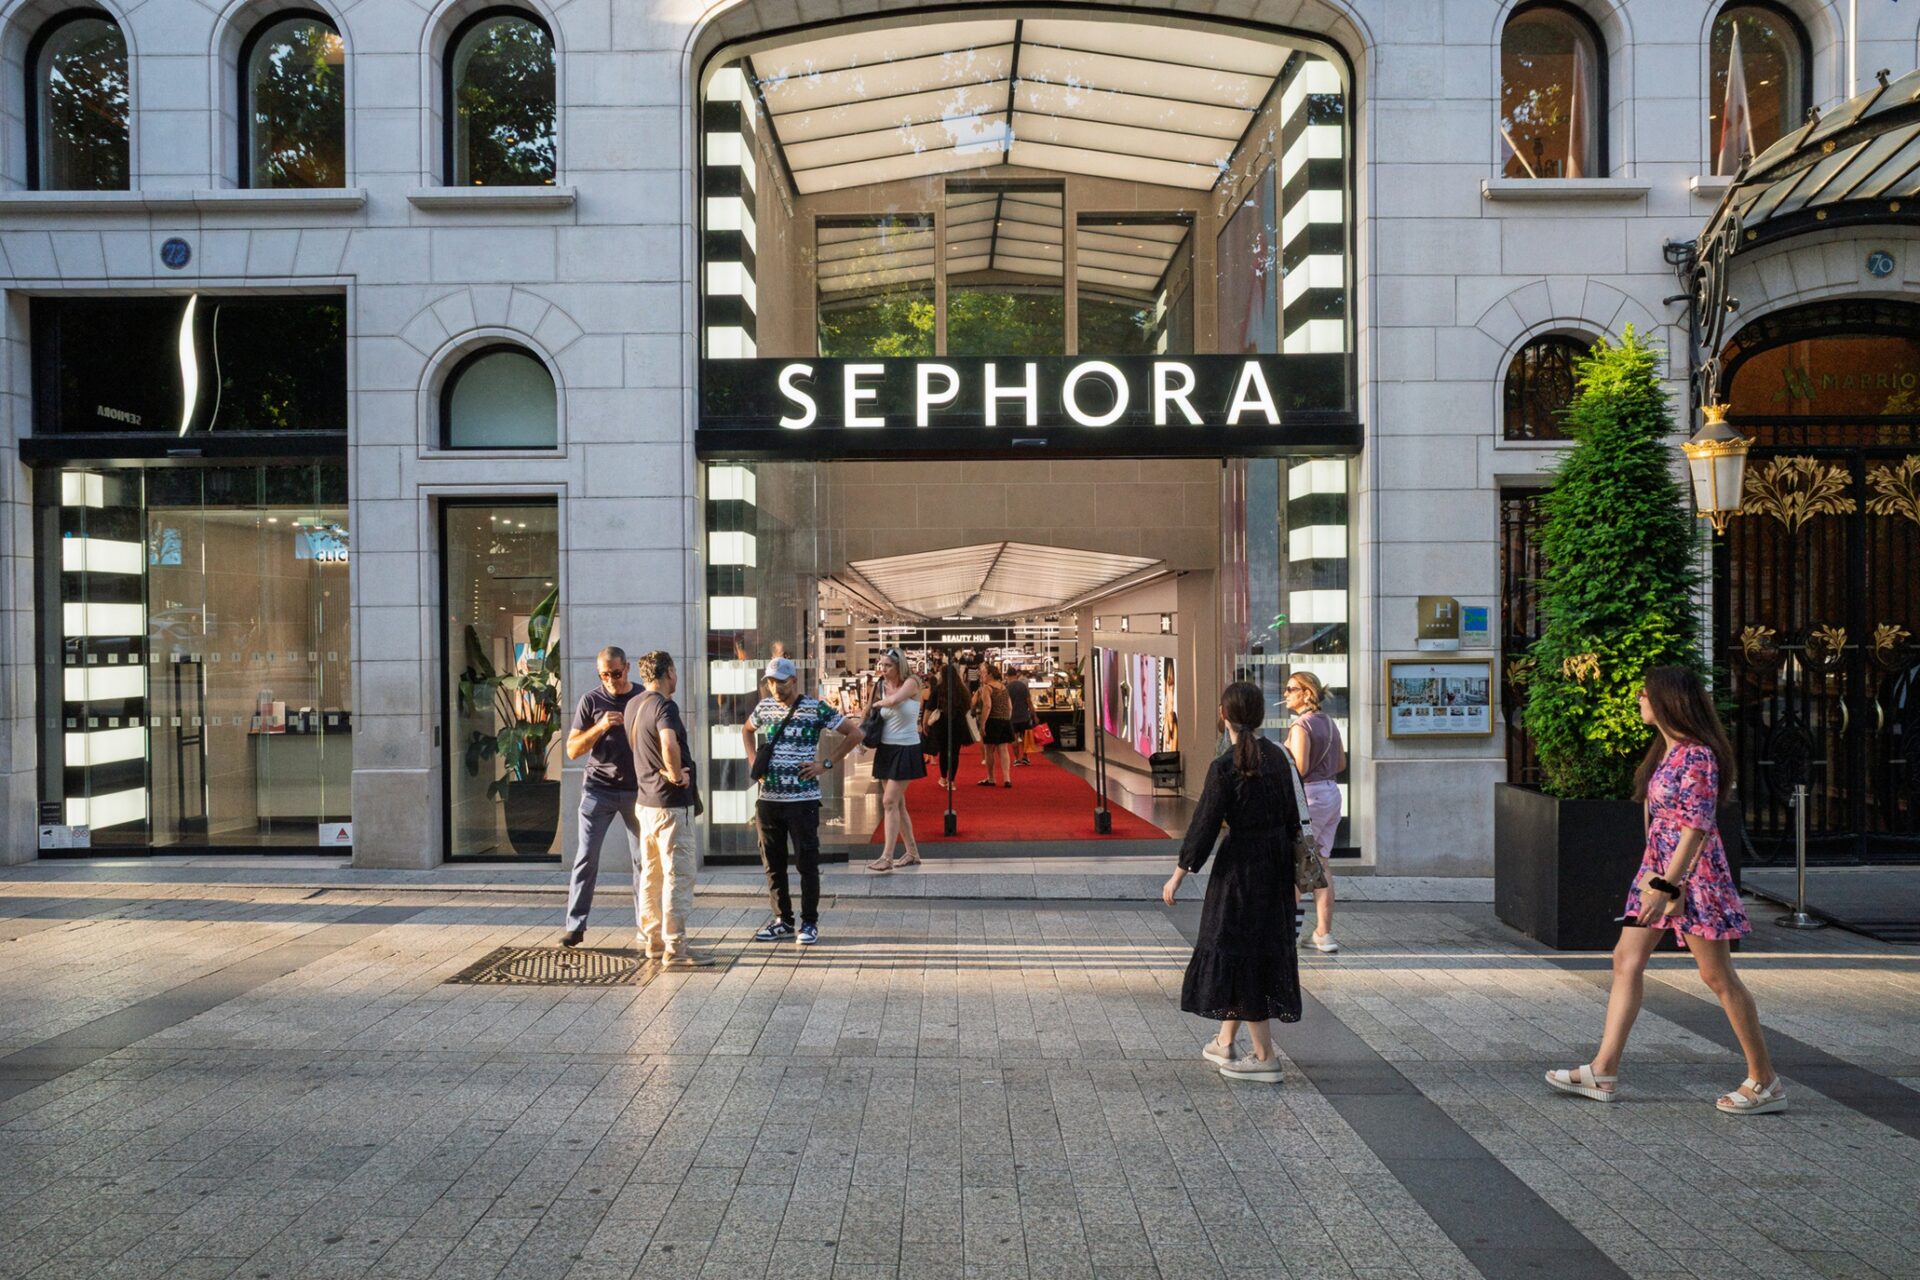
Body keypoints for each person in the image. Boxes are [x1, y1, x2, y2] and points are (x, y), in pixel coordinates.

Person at [1546, 666, 1783, 1114]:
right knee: (1626, 960)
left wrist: (1667, 884)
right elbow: (1656, 819)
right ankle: (1604, 1070)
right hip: (1656, 874)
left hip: (1692, 878)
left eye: (1645, 694)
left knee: (1717, 976)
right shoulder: (1666, 753)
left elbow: (1696, 827)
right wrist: (1650, 877)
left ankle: (1765, 1079)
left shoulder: (1699, 756)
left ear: (1668, 701)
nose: (1639, 700)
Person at [1162, 681, 1302, 1083]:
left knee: (1237, 950)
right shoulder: (1279, 758)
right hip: (1275, 867)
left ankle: (1265, 1057)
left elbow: (1204, 824)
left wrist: (1178, 874)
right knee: (1254, 947)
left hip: (1240, 869)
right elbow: (1294, 817)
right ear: (1259, 715)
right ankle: (1225, 1041)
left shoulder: (1225, 766)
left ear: (1223, 715)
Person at [742, 655, 860, 946]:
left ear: (793, 680)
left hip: (802, 799)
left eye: (780, 682)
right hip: (769, 798)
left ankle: (809, 922)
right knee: (773, 862)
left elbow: (854, 733)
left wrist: (826, 764)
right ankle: (782, 919)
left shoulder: (814, 707)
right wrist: (753, 761)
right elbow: (746, 729)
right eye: (770, 682)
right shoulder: (764, 706)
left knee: (807, 862)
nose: (775, 688)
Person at [626, 650, 710, 968]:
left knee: (651, 873)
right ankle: (676, 948)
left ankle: (654, 941)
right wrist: (676, 774)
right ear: (670, 672)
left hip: (645, 802)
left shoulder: (634, 704)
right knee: (678, 874)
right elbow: (668, 743)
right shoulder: (664, 706)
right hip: (671, 805)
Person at [560, 646, 644, 948]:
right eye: (604, 675)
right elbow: (572, 750)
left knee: (643, 861)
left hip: (637, 791)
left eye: (616, 673)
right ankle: (575, 925)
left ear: (628, 667)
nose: (611, 680)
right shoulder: (591, 700)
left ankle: (645, 927)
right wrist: (600, 726)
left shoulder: (642, 697)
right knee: (586, 857)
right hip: (598, 789)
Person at [1284, 671, 1345, 954]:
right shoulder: (1330, 724)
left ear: (1306, 693)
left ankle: (1285, 933)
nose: (1285, 693)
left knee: (1296, 864)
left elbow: (1300, 767)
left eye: (1290, 689)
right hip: (1332, 793)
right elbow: (1341, 763)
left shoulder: (1302, 726)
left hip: (1308, 797)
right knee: (1321, 863)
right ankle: (1324, 932)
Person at [867, 647, 925, 873]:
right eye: (881, 665)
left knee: (889, 801)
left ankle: (887, 856)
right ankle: (911, 852)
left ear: (899, 665)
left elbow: (894, 701)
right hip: (886, 748)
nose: (883, 669)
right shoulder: (880, 686)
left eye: (888, 665)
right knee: (898, 804)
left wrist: (879, 704)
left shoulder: (912, 682)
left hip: (906, 748)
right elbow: (869, 713)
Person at [927, 657, 972, 785]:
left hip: (941, 723)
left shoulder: (938, 689)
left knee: (943, 751)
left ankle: (943, 778)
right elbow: (968, 706)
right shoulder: (962, 690)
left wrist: (925, 723)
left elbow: (929, 708)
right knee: (955, 753)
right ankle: (951, 781)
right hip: (958, 723)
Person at [976, 662, 1014, 788]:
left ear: (990, 674)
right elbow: (1009, 706)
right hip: (1004, 720)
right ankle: (1007, 778)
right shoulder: (1003, 687)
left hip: (992, 720)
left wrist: (982, 724)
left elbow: (987, 706)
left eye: (984, 673)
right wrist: (1007, 718)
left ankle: (991, 777)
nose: (982, 676)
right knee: (1003, 749)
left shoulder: (987, 688)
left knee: (989, 750)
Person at [1007, 669, 1035, 766]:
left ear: (1008, 676)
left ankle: (1016, 759)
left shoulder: (1007, 688)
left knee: (1014, 739)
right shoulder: (1023, 686)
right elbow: (1029, 702)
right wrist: (1034, 715)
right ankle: (1025, 757)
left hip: (1012, 717)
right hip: (1024, 716)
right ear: (1016, 675)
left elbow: (1006, 704)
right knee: (1024, 738)